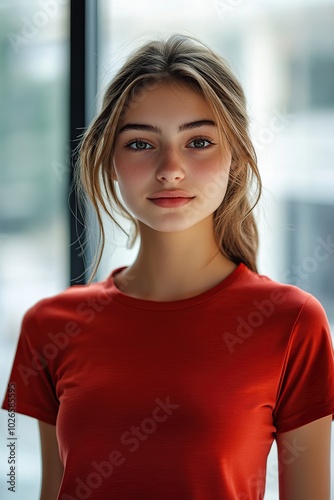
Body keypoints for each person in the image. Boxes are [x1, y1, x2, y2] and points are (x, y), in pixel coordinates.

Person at [2, 34, 334, 500]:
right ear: (110, 160)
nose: (170, 168)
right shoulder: (48, 326)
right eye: (140, 143)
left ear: (236, 156)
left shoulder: (293, 323)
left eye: (198, 141)